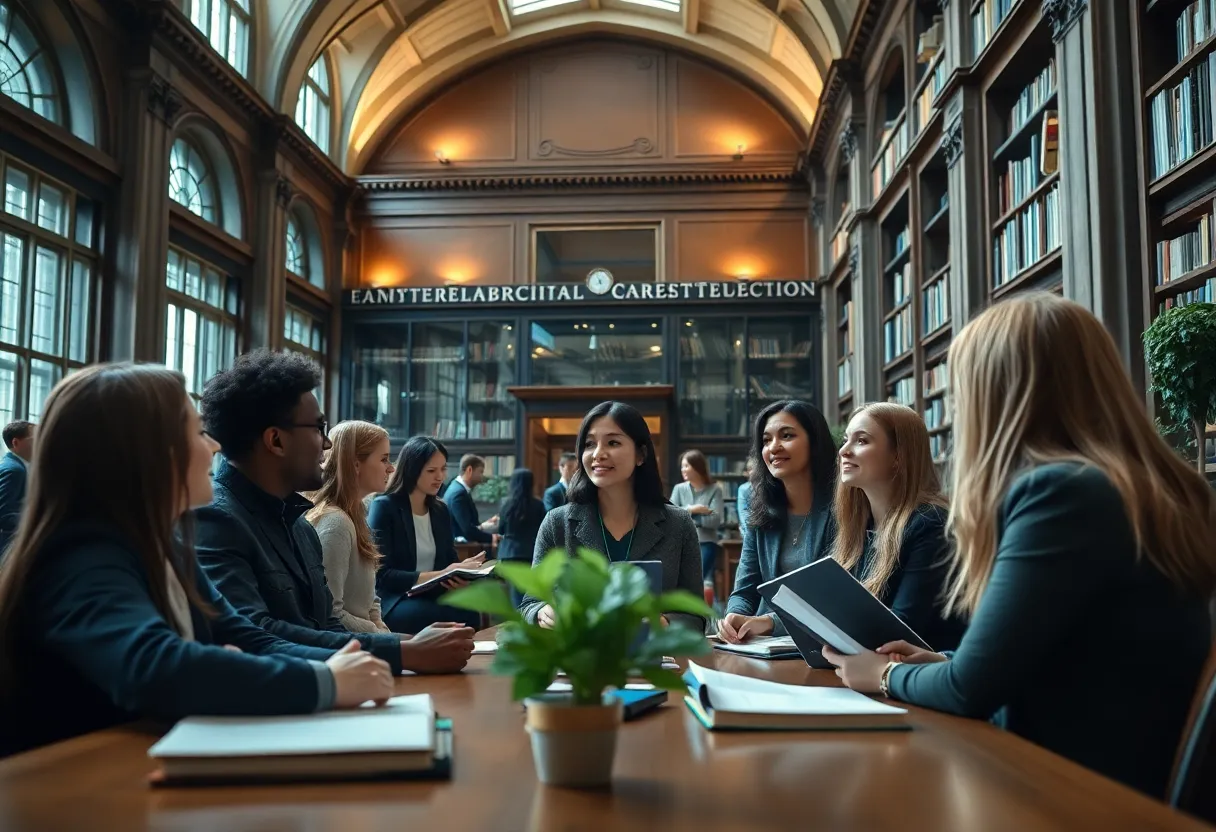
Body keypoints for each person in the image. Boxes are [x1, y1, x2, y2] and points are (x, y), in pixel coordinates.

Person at [824, 293, 1216, 799]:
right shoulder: (1144, 487)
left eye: (967, 391)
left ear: (1005, 396)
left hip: (1068, 789)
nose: (963, 410)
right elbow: (1079, 656)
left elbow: (970, 692)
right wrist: (939, 662)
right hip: (1117, 772)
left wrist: (883, 673)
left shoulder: (1062, 493)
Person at [0, 365, 395, 757]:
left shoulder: (162, 546)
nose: (214, 446)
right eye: (196, 432)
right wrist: (325, 680)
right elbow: (154, 666)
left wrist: (350, 667)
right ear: (145, 452)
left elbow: (244, 637)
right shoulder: (79, 553)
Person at [195, 350, 472, 676]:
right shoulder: (218, 519)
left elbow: (327, 624)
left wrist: (404, 645)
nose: (327, 444)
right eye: (318, 428)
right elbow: (254, 633)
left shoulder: (300, 525)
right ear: (276, 440)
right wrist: (403, 652)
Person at [520, 401, 705, 633]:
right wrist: (541, 612)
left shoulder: (678, 524)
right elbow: (529, 603)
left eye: (613, 442)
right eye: (589, 444)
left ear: (641, 454)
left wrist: (665, 623)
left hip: (653, 660)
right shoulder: (557, 523)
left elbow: (697, 615)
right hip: (577, 662)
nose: (598, 454)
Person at [831, 402, 964, 651]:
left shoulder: (931, 524)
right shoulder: (858, 527)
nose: (844, 451)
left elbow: (901, 633)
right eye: (845, 440)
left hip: (920, 680)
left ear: (898, 457)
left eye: (861, 441)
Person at [718, 400, 838, 643]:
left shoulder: (844, 511)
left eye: (787, 435)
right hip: (767, 646)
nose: (774, 447)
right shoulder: (762, 513)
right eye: (766, 440)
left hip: (825, 645)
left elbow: (834, 600)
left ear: (814, 442)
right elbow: (745, 589)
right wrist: (735, 615)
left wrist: (770, 623)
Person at [368, 437, 484, 634]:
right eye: (431, 471)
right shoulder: (384, 507)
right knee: (432, 614)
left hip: (433, 594)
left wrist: (462, 574)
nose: (439, 477)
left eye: (443, 469)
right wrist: (442, 573)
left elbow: (449, 560)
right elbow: (383, 576)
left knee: (471, 612)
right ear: (412, 470)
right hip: (396, 598)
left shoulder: (440, 510)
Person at [306, 421, 394, 634]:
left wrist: (385, 633)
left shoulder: (357, 514)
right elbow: (332, 614)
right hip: (349, 650)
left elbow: (371, 601)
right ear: (355, 464)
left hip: (366, 642)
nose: (391, 468)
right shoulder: (336, 523)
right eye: (384, 459)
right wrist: (386, 638)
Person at [670, 450, 725, 592]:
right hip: (681, 544)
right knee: (680, 583)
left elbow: (716, 520)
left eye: (686, 466)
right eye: (682, 466)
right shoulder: (679, 489)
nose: (683, 470)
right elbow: (670, 515)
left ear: (697, 467)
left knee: (697, 582)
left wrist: (690, 518)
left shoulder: (715, 490)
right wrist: (693, 509)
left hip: (706, 543)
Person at [496, 468, 547, 605]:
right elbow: (543, 529)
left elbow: (501, 529)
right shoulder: (538, 505)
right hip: (530, 552)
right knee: (527, 592)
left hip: (509, 553)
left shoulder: (505, 503)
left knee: (514, 592)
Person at [0, 420, 34, 553]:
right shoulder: (14, 470)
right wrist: (35, 518)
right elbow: (3, 515)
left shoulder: (18, 467)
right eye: (34, 439)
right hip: (8, 548)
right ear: (15, 443)